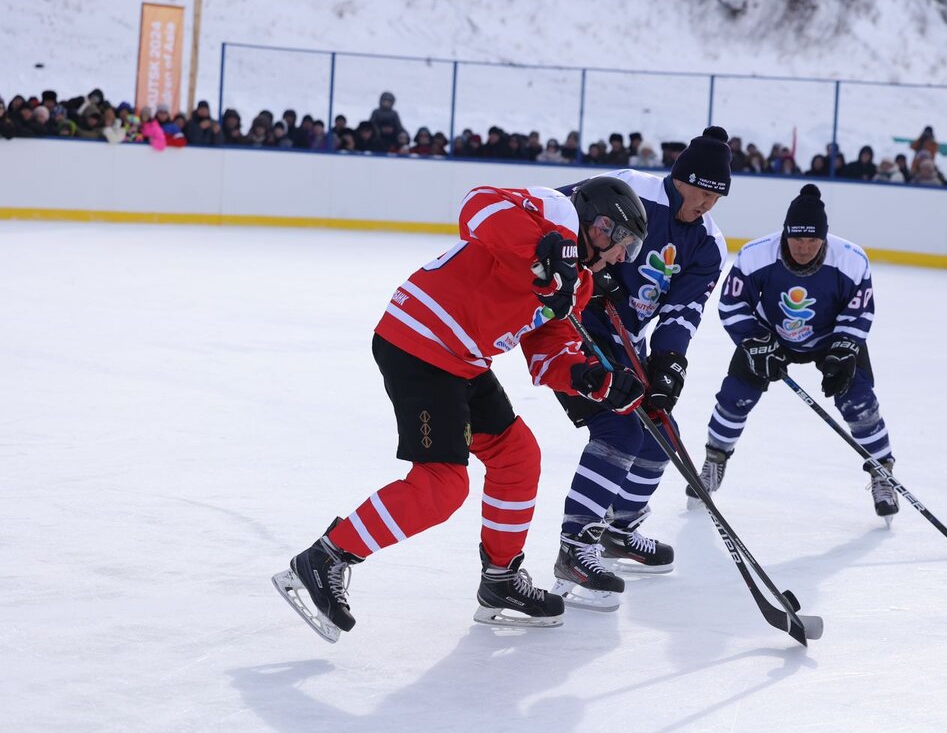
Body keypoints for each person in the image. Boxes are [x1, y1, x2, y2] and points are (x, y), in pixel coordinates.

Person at [273, 177, 650, 641]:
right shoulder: (554, 214)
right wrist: (545, 247)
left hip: (464, 360)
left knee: (518, 456)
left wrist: (594, 380)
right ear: (601, 225)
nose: (622, 258)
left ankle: (501, 581)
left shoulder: (579, 284)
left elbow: (548, 353)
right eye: (624, 244)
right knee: (443, 485)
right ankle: (326, 557)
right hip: (419, 341)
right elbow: (478, 207)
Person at [549, 126, 731, 611]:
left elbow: (682, 312)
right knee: (620, 428)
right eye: (705, 190)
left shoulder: (710, 246)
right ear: (683, 178)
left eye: (719, 194)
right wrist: (586, 266)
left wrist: (670, 362)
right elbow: (559, 216)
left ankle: (617, 529)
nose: (710, 202)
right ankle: (576, 546)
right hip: (578, 322)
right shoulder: (634, 189)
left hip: (629, 338)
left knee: (659, 430)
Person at [694, 184, 899, 523]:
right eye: (797, 239)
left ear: (825, 238)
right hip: (769, 334)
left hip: (830, 338)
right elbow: (732, 304)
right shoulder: (756, 255)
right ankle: (715, 460)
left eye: (812, 241)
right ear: (785, 234)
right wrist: (756, 343)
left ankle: (882, 472)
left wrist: (844, 349)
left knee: (860, 402)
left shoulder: (850, 259)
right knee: (734, 398)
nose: (804, 248)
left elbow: (859, 312)